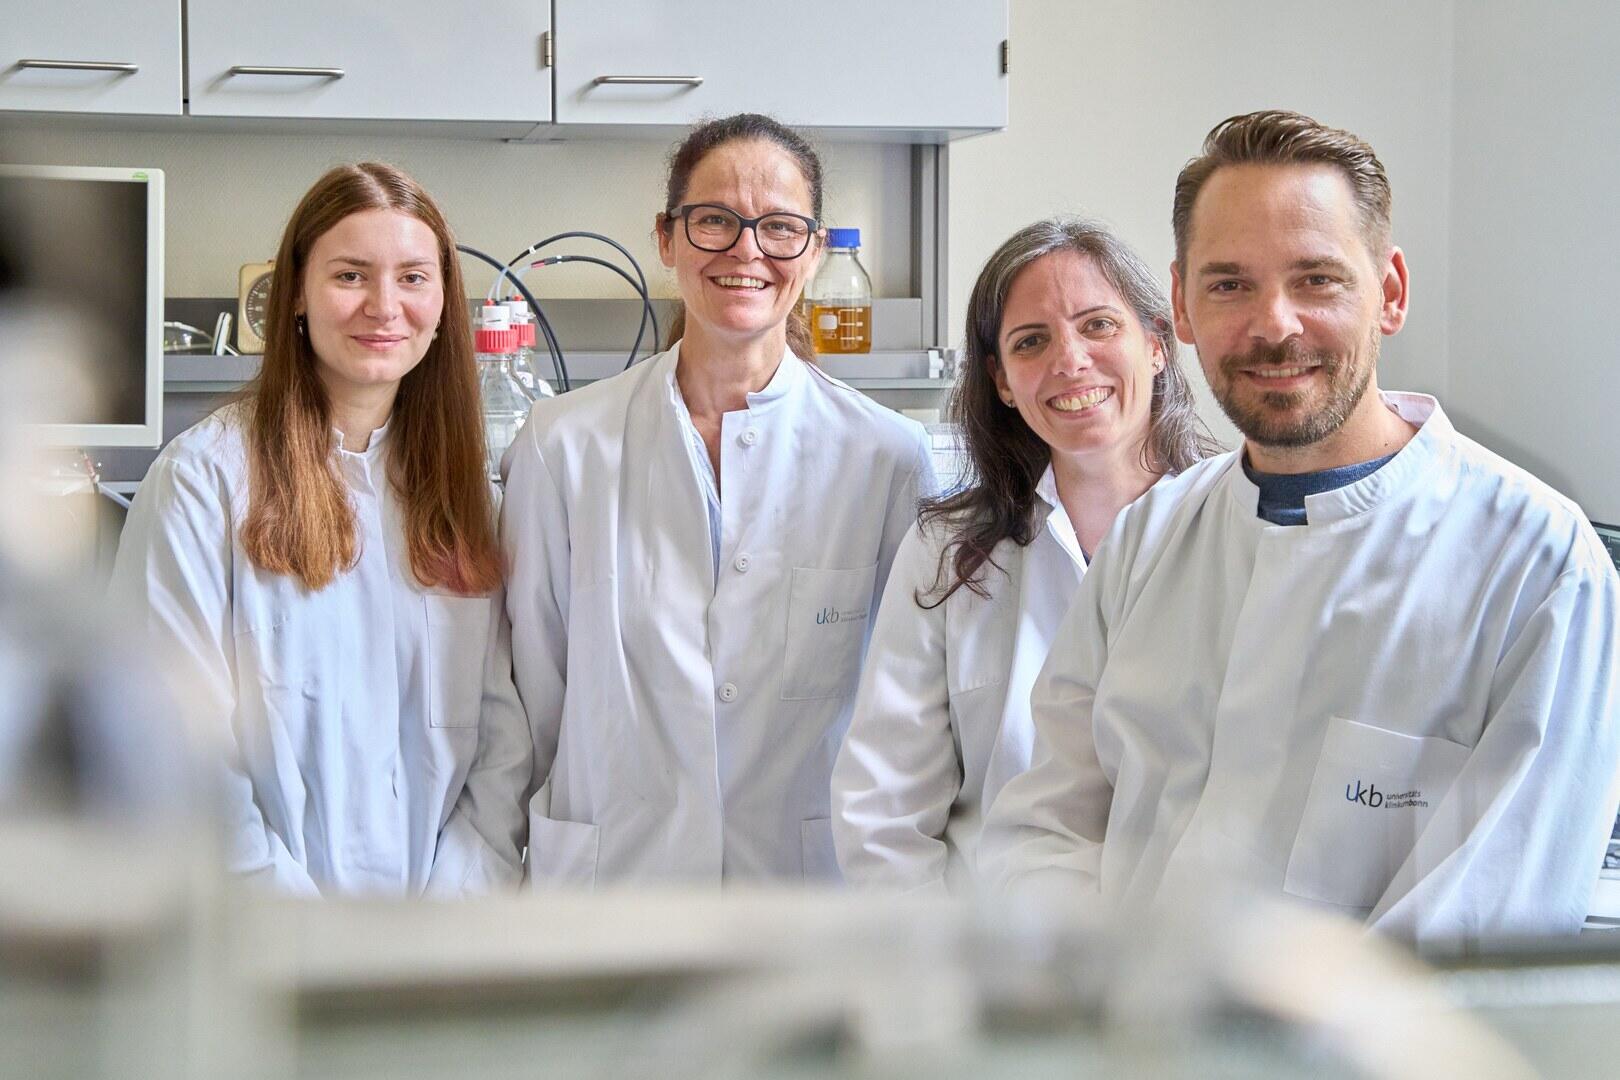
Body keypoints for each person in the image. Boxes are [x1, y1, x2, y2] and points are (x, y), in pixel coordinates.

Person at [980, 111, 1620, 946]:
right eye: (1230, 284)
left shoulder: (1538, 564)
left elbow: (1488, 922)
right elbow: (1046, 830)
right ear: (1181, 303)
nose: (1274, 324)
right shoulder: (1151, 540)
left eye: (1316, 279)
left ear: (1389, 292)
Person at [502, 113, 934, 887]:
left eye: (779, 227)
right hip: (610, 889)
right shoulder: (562, 445)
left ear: (810, 250)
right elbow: (531, 704)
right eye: (715, 222)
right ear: (667, 240)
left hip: (804, 896)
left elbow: (908, 720)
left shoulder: (887, 458)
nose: (747, 250)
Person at [110, 163, 531, 896]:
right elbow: (173, 752)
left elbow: (504, 742)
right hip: (261, 946)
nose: (384, 306)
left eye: (412, 278)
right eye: (350, 276)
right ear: (296, 294)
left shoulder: (466, 500)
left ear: (443, 304)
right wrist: (305, 938)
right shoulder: (203, 484)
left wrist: (451, 917)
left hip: (442, 947)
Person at [831, 217, 1217, 892]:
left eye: (1098, 325)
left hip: (1183, 960)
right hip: (992, 965)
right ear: (1002, 380)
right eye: (1031, 341)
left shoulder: (1234, 526)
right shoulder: (949, 553)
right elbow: (885, 813)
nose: (1069, 360)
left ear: (1156, 343)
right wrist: (953, 978)